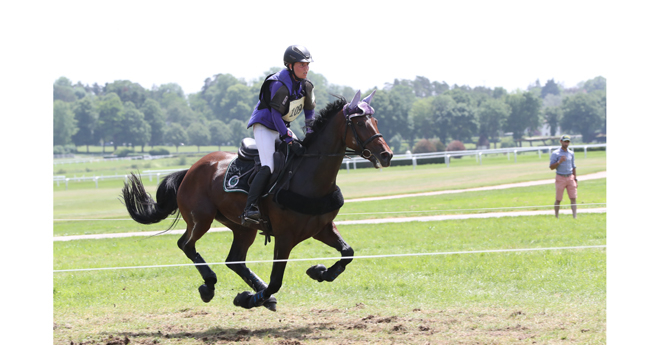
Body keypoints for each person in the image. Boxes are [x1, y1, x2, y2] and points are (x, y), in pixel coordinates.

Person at [241, 45, 317, 225]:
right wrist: (289, 139)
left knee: (302, 156)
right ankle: (249, 208)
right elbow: (275, 115)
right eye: (301, 65)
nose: (306, 68)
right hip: (265, 126)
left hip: (280, 126)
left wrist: (310, 134)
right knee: (269, 165)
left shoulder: (306, 85)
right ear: (290, 65)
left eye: (307, 65)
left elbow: (309, 112)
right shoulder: (279, 84)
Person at [549, 135, 578, 218]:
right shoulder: (556, 153)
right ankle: (556, 216)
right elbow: (551, 167)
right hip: (560, 177)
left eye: (568, 141)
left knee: (573, 197)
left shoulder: (571, 153)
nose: (566, 143)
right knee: (558, 199)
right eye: (565, 141)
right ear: (561, 141)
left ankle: (574, 216)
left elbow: (573, 166)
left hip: (570, 177)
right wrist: (559, 162)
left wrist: (575, 179)